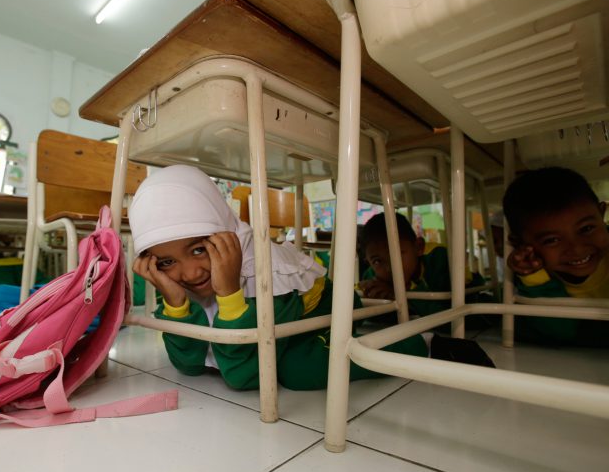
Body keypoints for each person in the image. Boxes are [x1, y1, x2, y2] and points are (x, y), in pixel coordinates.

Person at [129, 165, 430, 391]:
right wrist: (176, 303)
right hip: (281, 319)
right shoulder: (184, 280)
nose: (191, 273)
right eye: (167, 261)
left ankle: (413, 345)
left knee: (293, 370)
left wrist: (231, 295)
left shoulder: (266, 272)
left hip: (324, 304)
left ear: (224, 228)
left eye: (198, 249)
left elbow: (244, 377)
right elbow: (188, 366)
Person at [503, 166, 609, 346]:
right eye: (552, 240)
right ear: (520, 243)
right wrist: (533, 278)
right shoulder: (535, 274)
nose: (576, 248)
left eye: (587, 229)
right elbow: (562, 331)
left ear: (602, 213)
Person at [358, 212, 491, 320]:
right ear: (368, 261)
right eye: (377, 261)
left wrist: (401, 292)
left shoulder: (441, 261)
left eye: (397, 255)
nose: (389, 268)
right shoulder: (372, 276)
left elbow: (454, 318)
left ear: (418, 247)